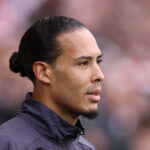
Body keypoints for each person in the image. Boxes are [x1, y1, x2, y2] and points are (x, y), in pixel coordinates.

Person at [0, 16, 104, 150]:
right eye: (83, 63)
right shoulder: (7, 143)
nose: (99, 75)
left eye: (98, 62)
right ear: (43, 72)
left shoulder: (87, 148)